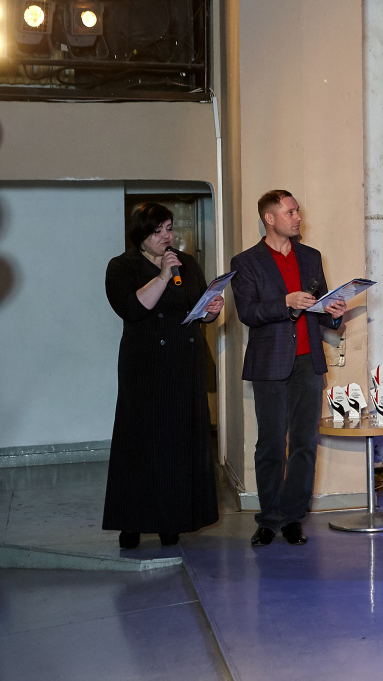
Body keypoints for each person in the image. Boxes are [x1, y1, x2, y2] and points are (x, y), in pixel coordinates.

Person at [230, 191, 346, 548]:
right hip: (270, 364)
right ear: (270, 218)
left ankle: (294, 518)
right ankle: (268, 520)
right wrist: (285, 302)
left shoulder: (311, 257)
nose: (298, 217)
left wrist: (334, 314)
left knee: (304, 444)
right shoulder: (246, 261)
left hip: (308, 362)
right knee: (270, 444)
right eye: (290, 211)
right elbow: (248, 313)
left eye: (297, 211)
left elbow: (321, 308)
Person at [103, 203, 221, 548]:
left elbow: (197, 308)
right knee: (141, 442)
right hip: (146, 365)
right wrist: (163, 276)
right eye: (158, 231)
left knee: (179, 442)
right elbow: (132, 308)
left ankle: (173, 520)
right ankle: (132, 522)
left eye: (169, 228)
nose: (167, 237)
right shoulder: (121, 266)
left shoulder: (187, 263)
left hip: (185, 362)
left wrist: (211, 311)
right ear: (141, 234)